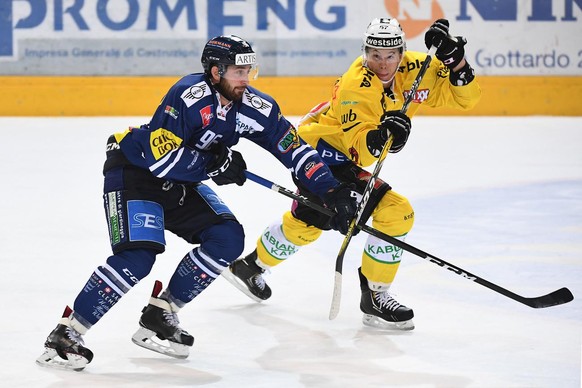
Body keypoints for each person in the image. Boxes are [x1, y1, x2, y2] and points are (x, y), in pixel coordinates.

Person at [35, 35, 360, 371]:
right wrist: (213, 164)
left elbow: (294, 149)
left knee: (227, 237)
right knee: (138, 256)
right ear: (215, 71)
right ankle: (67, 333)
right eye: (238, 71)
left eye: (249, 71)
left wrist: (331, 191)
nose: (245, 79)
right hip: (136, 173)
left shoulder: (253, 106)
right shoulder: (188, 95)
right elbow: (162, 158)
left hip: (180, 181)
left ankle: (161, 314)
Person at [223, 18, 481, 330]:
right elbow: (363, 150)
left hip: (341, 154)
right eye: (374, 55)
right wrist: (385, 137)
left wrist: (456, 61)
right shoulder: (355, 85)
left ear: (402, 53)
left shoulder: (416, 69)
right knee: (396, 212)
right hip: (320, 153)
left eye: (390, 56)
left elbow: (466, 99)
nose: (382, 64)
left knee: (310, 221)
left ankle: (250, 266)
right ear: (364, 53)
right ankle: (375, 295)